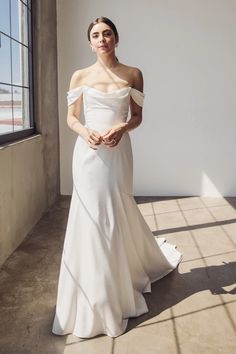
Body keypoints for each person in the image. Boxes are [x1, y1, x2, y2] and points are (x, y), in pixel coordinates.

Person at [52, 16, 182, 339]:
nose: (102, 39)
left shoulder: (133, 74)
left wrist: (122, 129)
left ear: (116, 38)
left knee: (115, 212)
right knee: (89, 218)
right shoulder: (79, 76)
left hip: (119, 152)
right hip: (88, 156)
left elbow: (137, 117)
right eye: (95, 35)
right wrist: (85, 132)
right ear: (90, 42)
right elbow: (70, 117)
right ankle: (91, 292)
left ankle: (117, 284)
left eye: (107, 33)